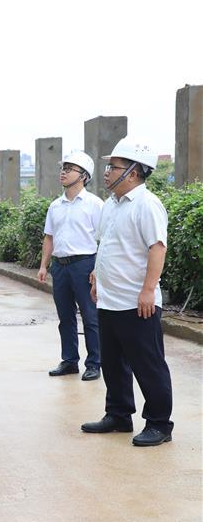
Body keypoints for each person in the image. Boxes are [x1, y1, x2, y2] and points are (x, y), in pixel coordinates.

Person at [81, 139, 172, 447]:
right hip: (110, 300)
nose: (106, 172)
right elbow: (105, 244)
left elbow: (157, 248)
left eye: (113, 166)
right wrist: (97, 275)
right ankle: (119, 414)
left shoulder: (147, 204)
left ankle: (160, 423)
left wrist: (148, 290)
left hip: (137, 303)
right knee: (113, 363)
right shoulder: (111, 205)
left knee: (148, 365)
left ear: (133, 172)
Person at [38, 150, 104, 380]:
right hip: (60, 266)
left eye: (69, 169)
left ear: (84, 175)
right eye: (62, 168)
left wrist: (98, 268)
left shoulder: (95, 204)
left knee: (90, 316)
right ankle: (69, 361)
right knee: (65, 316)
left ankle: (94, 363)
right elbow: (49, 237)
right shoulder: (55, 206)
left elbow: (105, 239)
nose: (63, 172)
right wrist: (44, 265)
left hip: (84, 264)